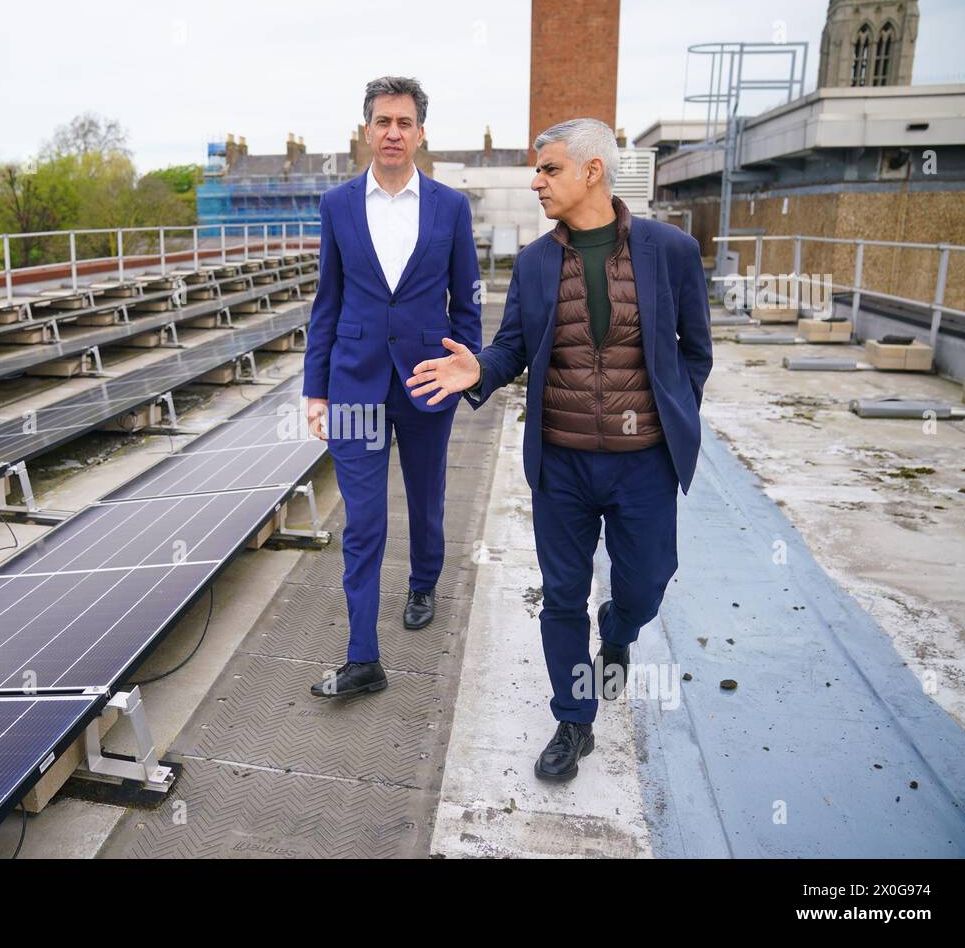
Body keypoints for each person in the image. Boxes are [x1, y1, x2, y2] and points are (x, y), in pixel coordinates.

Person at [405, 117, 712, 780]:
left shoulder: (672, 251)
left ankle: (621, 630)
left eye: (548, 169)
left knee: (647, 583)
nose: (536, 181)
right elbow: (513, 344)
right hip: (563, 463)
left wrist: (674, 416)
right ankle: (574, 722)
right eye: (536, 169)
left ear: (592, 171)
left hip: (644, 464)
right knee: (563, 594)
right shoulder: (538, 262)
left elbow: (696, 351)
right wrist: (479, 369)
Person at [303, 76, 482, 698]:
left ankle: (424, 582)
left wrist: (464, 367)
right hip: (353, 385)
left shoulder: (451, 208)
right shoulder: (337, 206)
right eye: (383, 121)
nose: (393, 133)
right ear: (367, 130)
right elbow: (326, 302)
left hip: (427, 381)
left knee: (426, 498)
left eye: (404, 123)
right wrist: (315, 388)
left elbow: (468, 300)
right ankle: (362, 657)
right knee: (364, 520)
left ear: (420, 133)